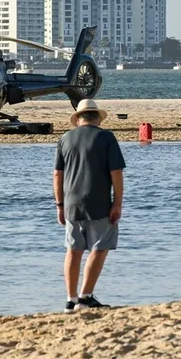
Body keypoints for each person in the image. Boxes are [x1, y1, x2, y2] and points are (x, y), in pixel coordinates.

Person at [54, 99, 126, 313]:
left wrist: (59, 205)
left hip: (71, 203)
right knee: (100, 247)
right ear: (98, 118)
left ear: (78, 119)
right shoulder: (106, 138)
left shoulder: (65, 139)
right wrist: (117, 203)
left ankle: (70, 300)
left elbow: (57, 175)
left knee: (73, 250)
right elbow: (116, 172)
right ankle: (85, 296)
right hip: (99, 200)